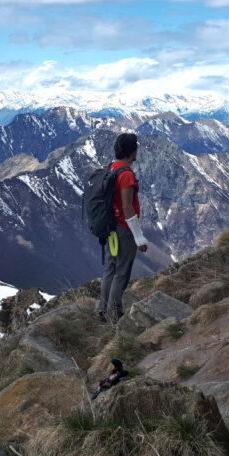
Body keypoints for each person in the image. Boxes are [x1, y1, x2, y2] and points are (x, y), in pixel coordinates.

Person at [98, 132, 148, 322]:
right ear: (131, 151)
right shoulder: (126, 174)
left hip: (111, 227)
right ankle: (115, 315)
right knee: (122, 271)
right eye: (136, 147)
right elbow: (127, 206)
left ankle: (102, 310)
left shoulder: (113, 167)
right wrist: (138, 236)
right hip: (124, 229)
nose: (137, 151)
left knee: (111, 268)